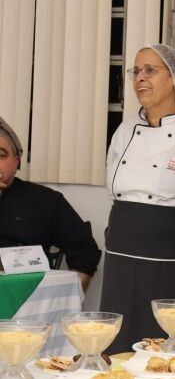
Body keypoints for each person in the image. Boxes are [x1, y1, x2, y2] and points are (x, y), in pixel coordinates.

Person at [100, 44, 175, 352]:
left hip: (171, 258)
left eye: (150, 70)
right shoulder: (124, 130)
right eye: (136, 71)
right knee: (117, 342)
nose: (140, 79)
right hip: (122, 251)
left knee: (162, 345)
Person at [0, 117, 101, 289]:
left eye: (1, 155)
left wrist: (69, 300)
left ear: (16, 161)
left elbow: (84, 250)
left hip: (27, 300)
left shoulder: (43, 200)